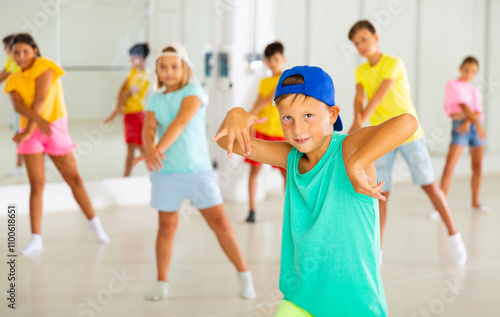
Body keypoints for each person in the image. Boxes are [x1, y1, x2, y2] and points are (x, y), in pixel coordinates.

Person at [214, 65, 419, 316]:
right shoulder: (290, 156)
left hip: (354, 303)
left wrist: (355, 165)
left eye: (308, 116)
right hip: (302, 299)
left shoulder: (349, 148)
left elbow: (407, 123)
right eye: (287, 118)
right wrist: (235, 113)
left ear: (332, 114)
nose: (298, 129)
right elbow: (226, 141)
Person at [137, 43, 256, 301]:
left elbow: (180, 123)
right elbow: (148, 128)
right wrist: (150, 149)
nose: (169, 72)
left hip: (198, 173)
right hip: (165, 173)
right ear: (157, 70)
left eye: (174, 67)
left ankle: (244, 274)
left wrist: (156, 148)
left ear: (184, 68)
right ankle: (161, 281)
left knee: (221, 223)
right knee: (166, 227)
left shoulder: (194, 92)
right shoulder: (155, 99)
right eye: (163, 67)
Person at [347, 20, 467, 266]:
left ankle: (454, 236)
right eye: (356, 43)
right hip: (382, 136)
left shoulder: (394, 63)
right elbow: (359, 98)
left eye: (364, 39)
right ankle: (376, 252)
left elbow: (379, 96)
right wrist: (356, 121)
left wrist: (359, 123)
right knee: (381, 193)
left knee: (429, 185)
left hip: (409, 132)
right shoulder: (360, 71)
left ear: (375, 37)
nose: (361, 45)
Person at [4, 33, 110, 255]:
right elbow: (18, 107)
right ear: (11, 55)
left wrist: (34, 127)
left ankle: (94, 223)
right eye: (16, 52)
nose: (21, 56)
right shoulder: (13, 78)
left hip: (53, 128)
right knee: (37, 185)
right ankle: (36, 238)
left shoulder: (46, 66)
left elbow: (40, 100)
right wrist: (33, 128)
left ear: (35, 50)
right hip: (33, 131)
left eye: (26, 51)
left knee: (74, 179)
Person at [440, 56, 489, 214]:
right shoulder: (452, 84)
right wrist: (475, 123)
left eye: (473, 71)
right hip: (460, 128)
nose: (469, 73)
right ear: (460, 68)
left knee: (478, 167)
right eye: (466, 69)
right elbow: (463, 105)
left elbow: (477, 111)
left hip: (473, 127)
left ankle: (475, 202)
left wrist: (470, 122)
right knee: (450, 166)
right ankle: (440, 206)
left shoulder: (475, 90)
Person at [244, 41, 287, 223]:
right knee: (254, 170)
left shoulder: (286, 79)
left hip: (280, 133)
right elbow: (258, 104)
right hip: (261, 130)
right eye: (269, 59)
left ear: (283, 59)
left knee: (286, 172)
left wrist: (252, 113)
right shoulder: (264, 82)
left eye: (276, 59)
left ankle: (290, 211)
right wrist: (252, 120)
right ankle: (252, 210)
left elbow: (271, 99)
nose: (272, 62)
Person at [105, 43, 150, 177]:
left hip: (137, 114)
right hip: (130, 114)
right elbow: (123, 88)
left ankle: (154, 172)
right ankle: (127, 176)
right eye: (131, 58)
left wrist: (115, 111)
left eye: (134, 58)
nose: (132, 61)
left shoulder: (144, 76)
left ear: (142, 58)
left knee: (139, 147)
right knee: (133, 147)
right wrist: (118, 107)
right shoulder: (133, 71)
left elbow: (128, 93)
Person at [1, 34, 24, 176]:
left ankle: (19, 167)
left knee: (20, 133)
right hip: (18, 104)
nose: (4, 50)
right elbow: (3, 74)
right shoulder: (11, 60)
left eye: (5, 46)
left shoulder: (18, 61)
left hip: (24, 103)